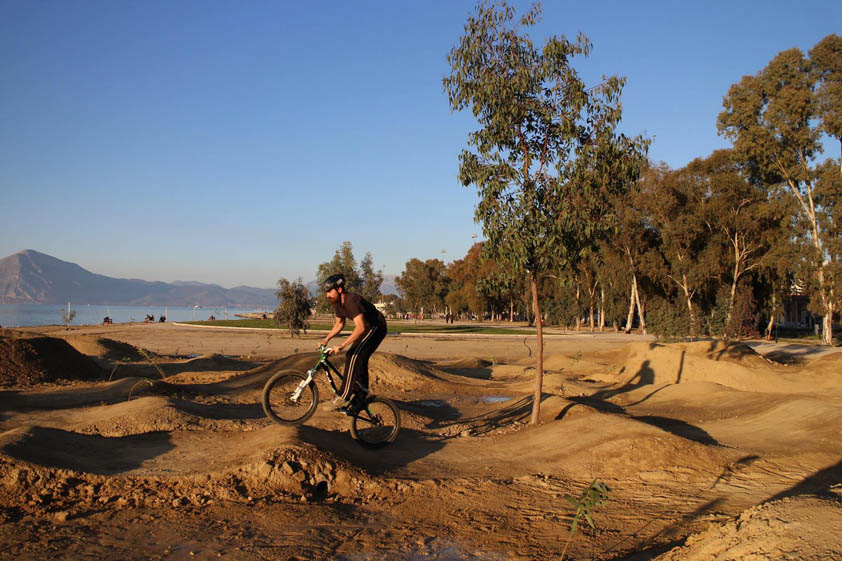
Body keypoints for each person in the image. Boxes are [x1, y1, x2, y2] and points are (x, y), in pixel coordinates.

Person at [320, 273, 387, 413]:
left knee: (352, 355)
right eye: (326, 292)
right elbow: (339, 324)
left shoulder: (352, 301)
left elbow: (361, 327)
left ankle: (343, 396)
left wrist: (342, 345)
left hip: (376, 327)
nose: (327, 295)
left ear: (339, 289)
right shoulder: (339, 304)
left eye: (329, 291)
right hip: (366, 329)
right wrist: (327, 339)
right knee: (359, 358)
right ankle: (361, 397)